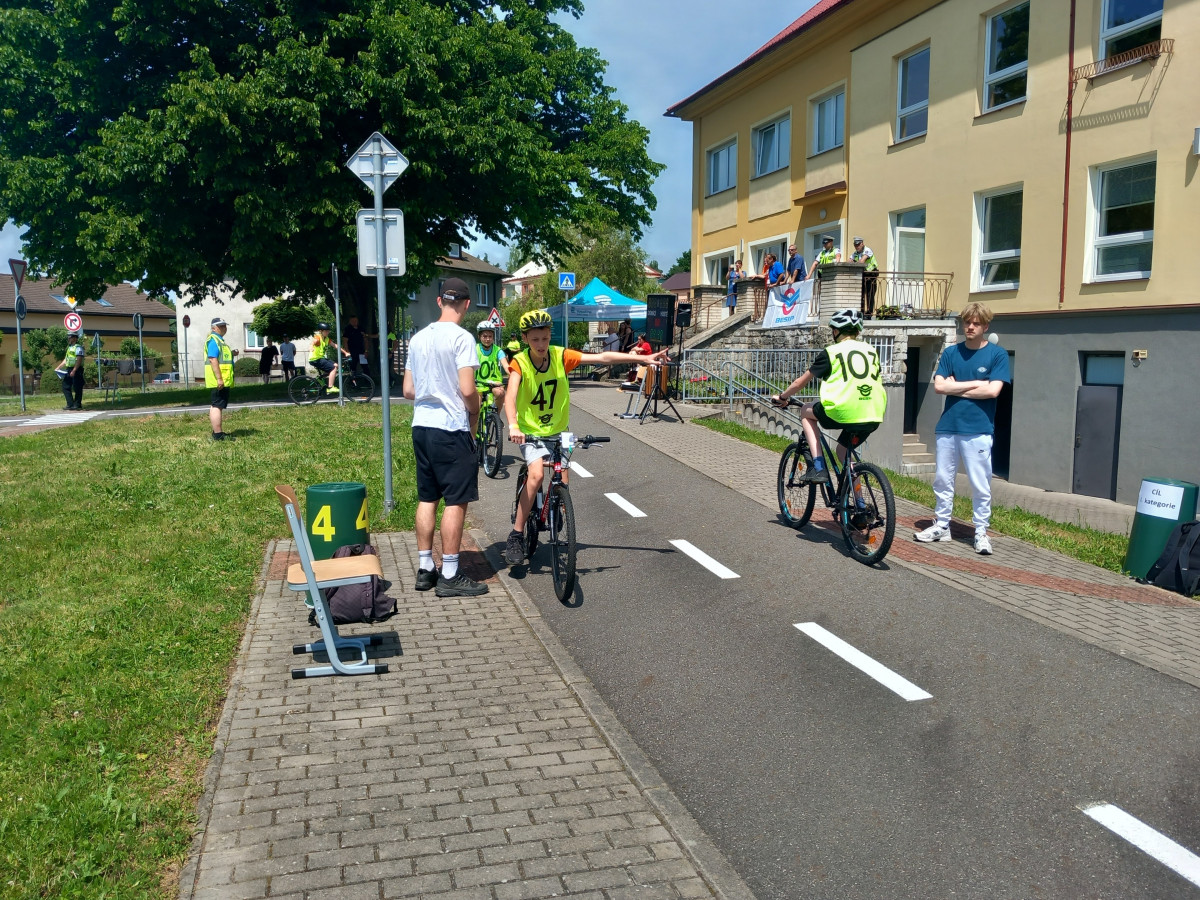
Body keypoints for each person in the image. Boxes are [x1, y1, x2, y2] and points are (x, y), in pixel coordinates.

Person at [503, 309, 669, 566]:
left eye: (545, 339)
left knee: (563, 473)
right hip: (530, 431)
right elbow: (510, 396)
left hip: (559, 430)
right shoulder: (520, 363)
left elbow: (602, 356)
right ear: (525, 339)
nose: (541, 345)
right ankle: (515, 534)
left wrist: (644, 358)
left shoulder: (560, 356)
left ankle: (558, 503)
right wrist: (513, 424)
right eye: (535, 339)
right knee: (535, 475)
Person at [402, 277, 489, 598]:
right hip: (451, 428)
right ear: (467, 304)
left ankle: (425, 568)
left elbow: (408, 390)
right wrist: (475, 407)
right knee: (456, 500)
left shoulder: (418, 339)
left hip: (421, 427)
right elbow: (467, 389)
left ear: (439, 301)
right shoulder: (463, 339)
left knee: (428, 497)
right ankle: (450, 572)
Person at [914, 303, 1010, 555]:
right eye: (967, 322)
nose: (970, 326)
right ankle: (942, 526)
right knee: (943, 480)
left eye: (976, 323)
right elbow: (939, 387)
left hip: (978, 430)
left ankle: (981, 532)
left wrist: (957, 385)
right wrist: (977, 383)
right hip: (948, 427)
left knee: (980, 484)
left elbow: (993, 390)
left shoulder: (997, 355)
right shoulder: (951, 353)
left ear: (985, 326)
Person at [770, 308, 886, 483]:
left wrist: (783, 397)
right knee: (843, 451)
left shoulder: (832, 352)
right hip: (873, 413)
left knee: (806, 412)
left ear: (836, 331)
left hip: (843, 411)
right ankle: (860, 502)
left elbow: (800, 383)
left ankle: (818, 468)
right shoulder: (871, 351)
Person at [206, 317, 235, 441]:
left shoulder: (219, 341)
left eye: (224, 325)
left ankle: (217, 432)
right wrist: (219, 378)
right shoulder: (213, 340)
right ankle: (218, 435)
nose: (224, 328)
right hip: (218, 380)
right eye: (221, 326)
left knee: (218, 405)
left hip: (222, 379)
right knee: (217, 406)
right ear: (214, 328)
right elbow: (213, 359)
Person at [475, 322, 509, 407]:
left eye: (490, 336)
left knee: (500, 393)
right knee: (476, 409)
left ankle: (496, 416)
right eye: (485, 336)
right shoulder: (474, 349)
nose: (487, 339)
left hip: (494, 382)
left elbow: (506, 366)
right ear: (479, 337)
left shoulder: (498, 350)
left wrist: (513, 374)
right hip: (477, 382)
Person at [309, 323, 349, 393]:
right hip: (315, 359)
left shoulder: (326, 339)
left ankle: (320, 379)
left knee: (336, 366)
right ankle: (330, 387)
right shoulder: (318, 337)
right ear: (321, 331)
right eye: (326, 331)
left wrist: (345, 352)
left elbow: (335, 345)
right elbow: (313, 342)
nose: (328, 332)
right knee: (333, 368)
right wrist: (311, 347)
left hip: (321, 358)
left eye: (328, 331)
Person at [851, 236, 879, 318]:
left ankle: (869, 313)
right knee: (861, 295)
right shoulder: (855, 253)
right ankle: (862, 312)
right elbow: (848, 262)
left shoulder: (867, 250)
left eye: (858, 245)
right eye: (855, 245)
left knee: (870, 295)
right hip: (862, 276)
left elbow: (861, 261)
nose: (857, 247)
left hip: (871, 275)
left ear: (862, 243)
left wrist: (854, 263)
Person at [57, 330, 85, 410]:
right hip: (69, 369)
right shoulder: (69, 348)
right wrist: (59, 367)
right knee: (65, 386)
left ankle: (77, 404)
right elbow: (66, 359)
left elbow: (79, 360)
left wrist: (74, 370)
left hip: (77, 369)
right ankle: (70, 404)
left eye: (70, 337)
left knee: (77, 387)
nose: (68, 338)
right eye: (68, 337)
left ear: (75, 338)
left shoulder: (78, 347)